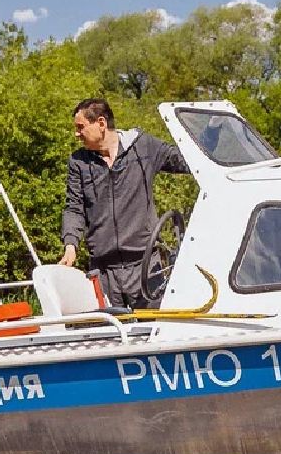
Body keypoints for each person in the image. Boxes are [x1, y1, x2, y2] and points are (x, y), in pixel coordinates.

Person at [59, 97, 191, 308]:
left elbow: (188, 160)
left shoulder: (144, 147)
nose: (77, 134)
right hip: (103, 272)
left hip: (146, 267)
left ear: (101, 123)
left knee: (154, 333)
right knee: (109, 337)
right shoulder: (78, 162)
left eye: (80, 127)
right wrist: (70, 244)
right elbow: (74, 207)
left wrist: (212, 135)